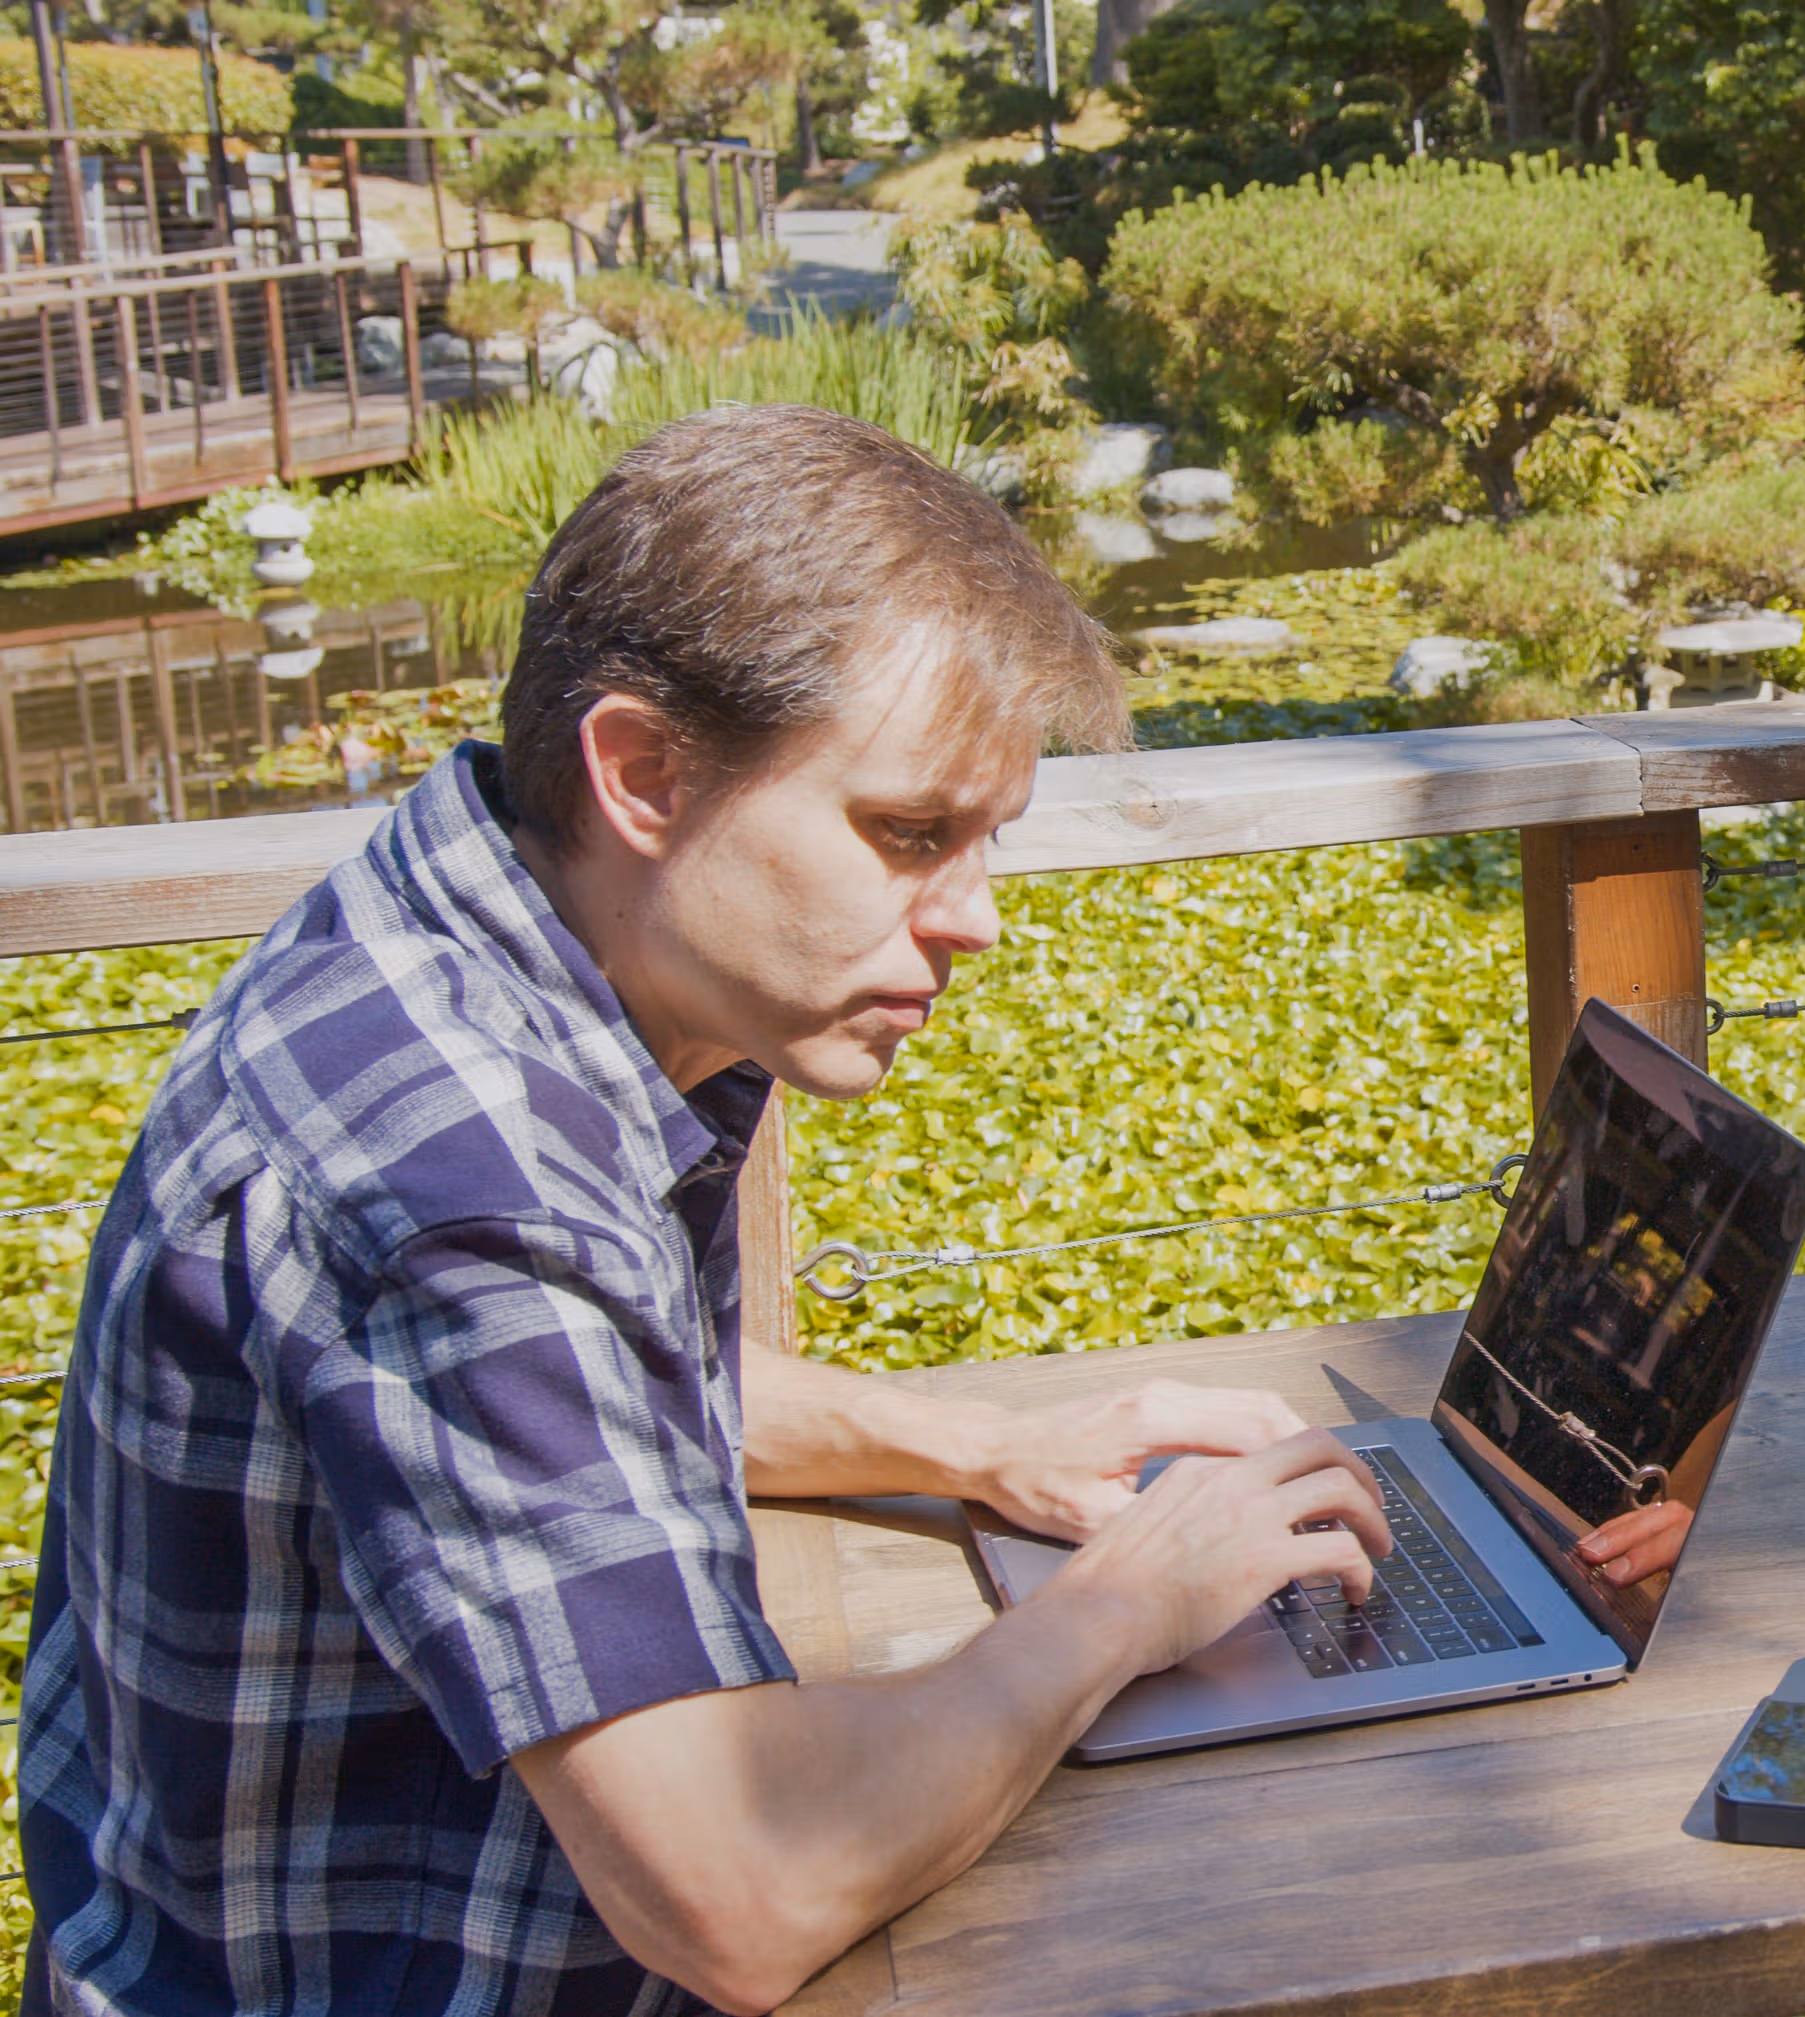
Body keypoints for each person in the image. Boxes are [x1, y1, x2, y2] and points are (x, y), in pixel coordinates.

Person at [18, 405, 1393, 2017]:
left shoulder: (463, 941)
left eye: (986, 840)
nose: (977, 922)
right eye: (908, 835)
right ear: (645, 774)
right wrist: (1127, 1603)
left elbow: (577, 1402)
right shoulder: (457, 1173)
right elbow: (736, 1894)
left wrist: (979, 1452)